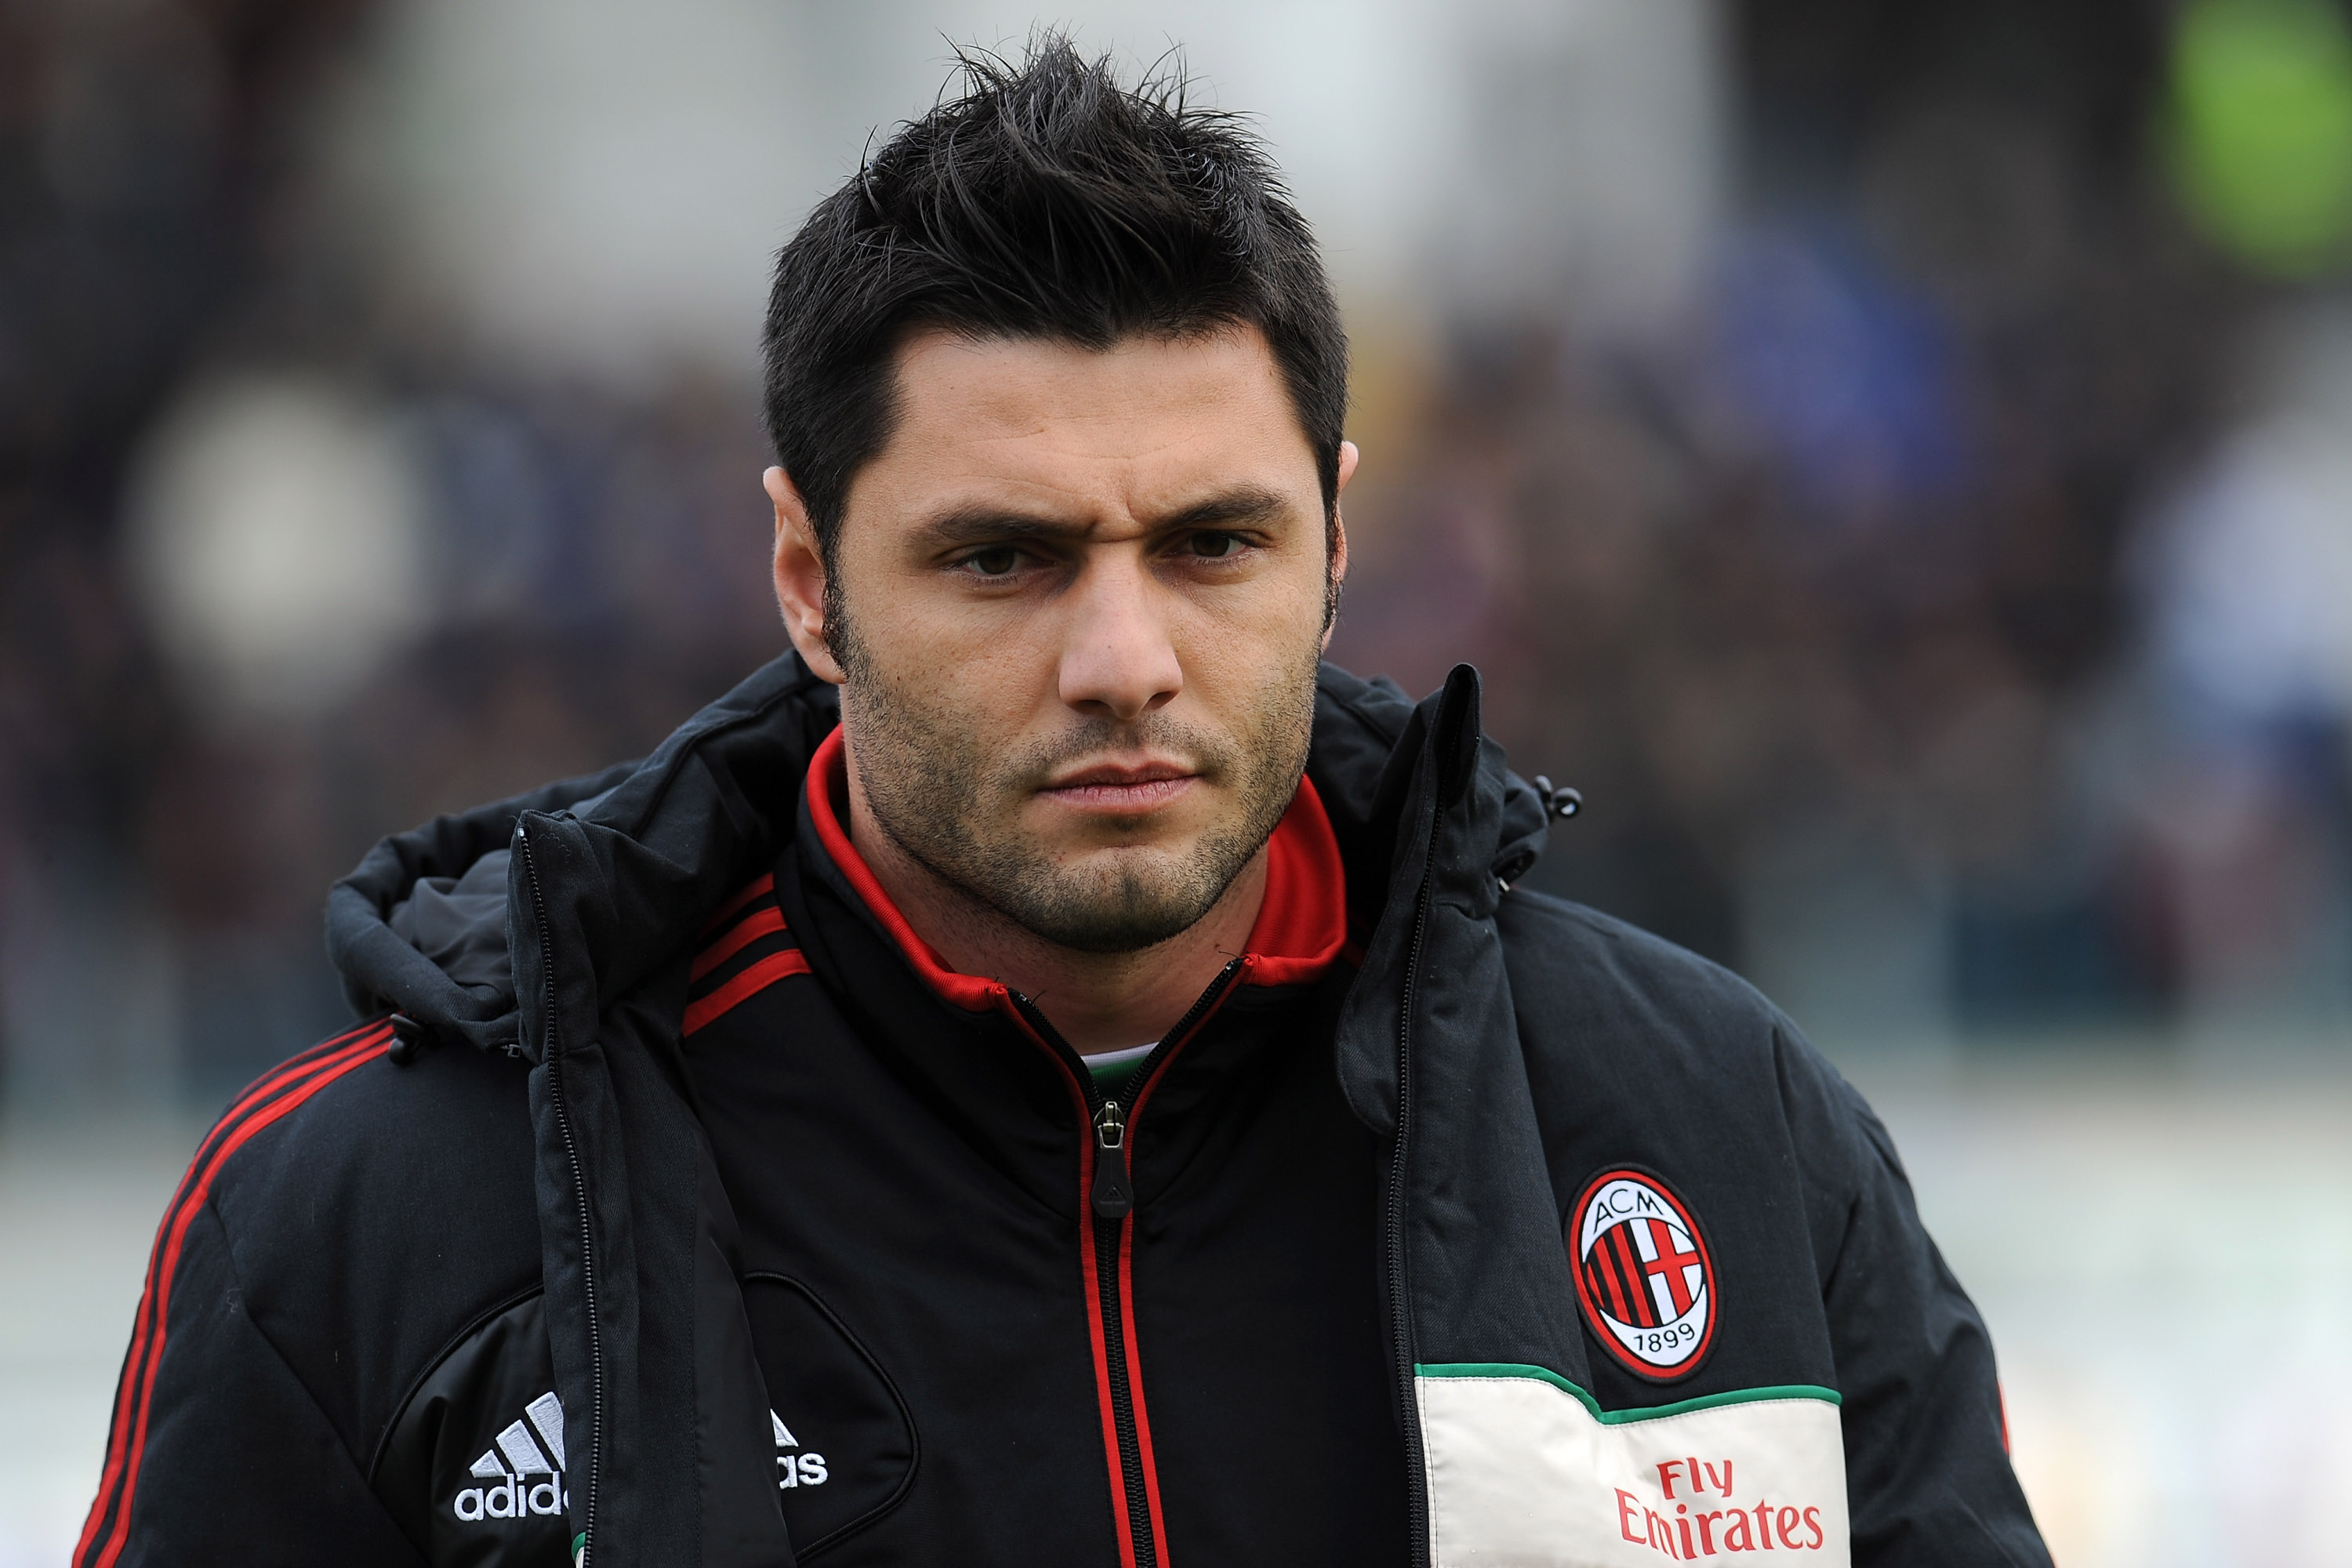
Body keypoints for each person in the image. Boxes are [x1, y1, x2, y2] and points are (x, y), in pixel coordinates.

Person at [74, 38, 2049, 1568]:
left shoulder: (1715, 1125)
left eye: (1212, 542)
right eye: (1005, 557)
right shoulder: (373, 1224)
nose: (1124, 655)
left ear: (1340, 539)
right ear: (806, 580)